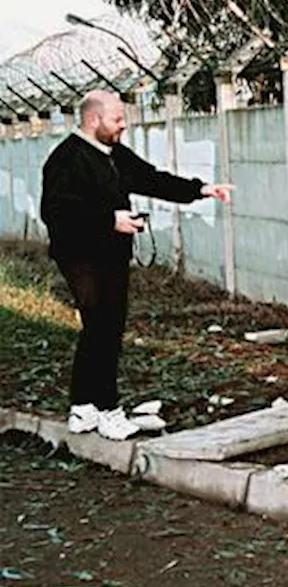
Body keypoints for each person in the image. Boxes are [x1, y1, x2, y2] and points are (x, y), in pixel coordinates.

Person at [40, 90, 233, 440]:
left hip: (111, 254)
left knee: (99, 328)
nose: (123, 126)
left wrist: (201, 189)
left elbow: (152, 179)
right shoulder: (66, 159)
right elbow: (56, 211)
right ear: (93, 119)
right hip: (81, 257)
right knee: (104, 327)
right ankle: (109, 411)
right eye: (117, 119)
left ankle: (83, 408)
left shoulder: (113, 154)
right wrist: (109, 220)